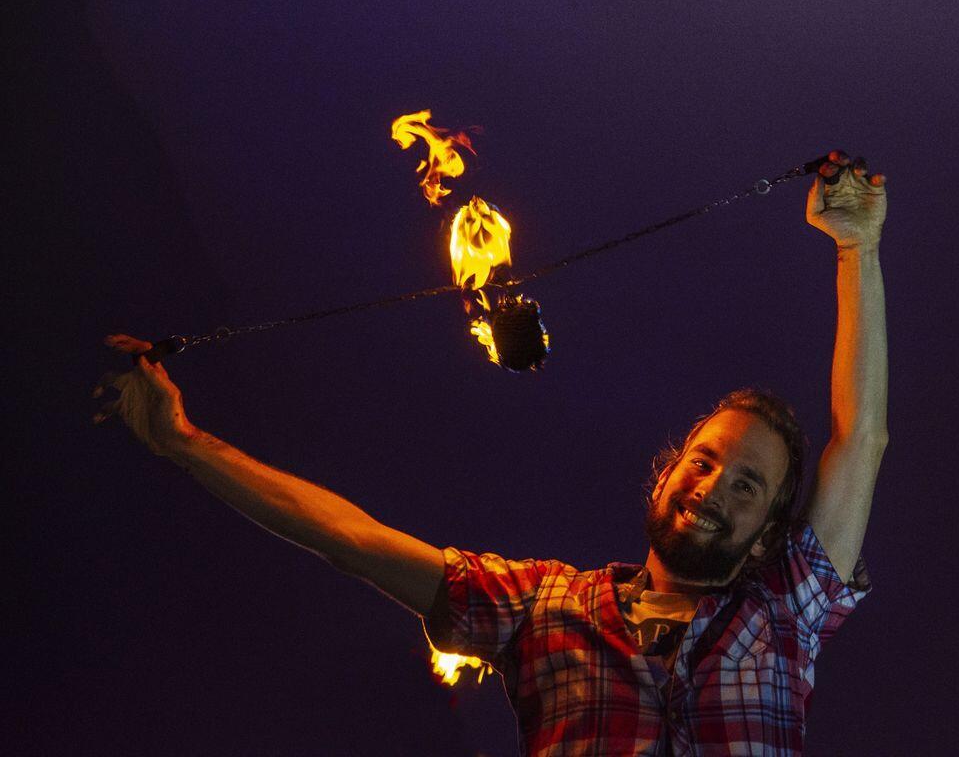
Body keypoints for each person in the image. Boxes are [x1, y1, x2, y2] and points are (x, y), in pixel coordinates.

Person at [93, 152, 889, 755]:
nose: (712, 487)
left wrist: (857, 249)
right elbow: (349, 539)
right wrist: (184, 443)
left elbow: (861, 437)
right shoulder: (540, 606)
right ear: (669, 471)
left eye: (747, 484)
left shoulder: (786, 609)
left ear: (770, 533)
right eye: (705, 460)